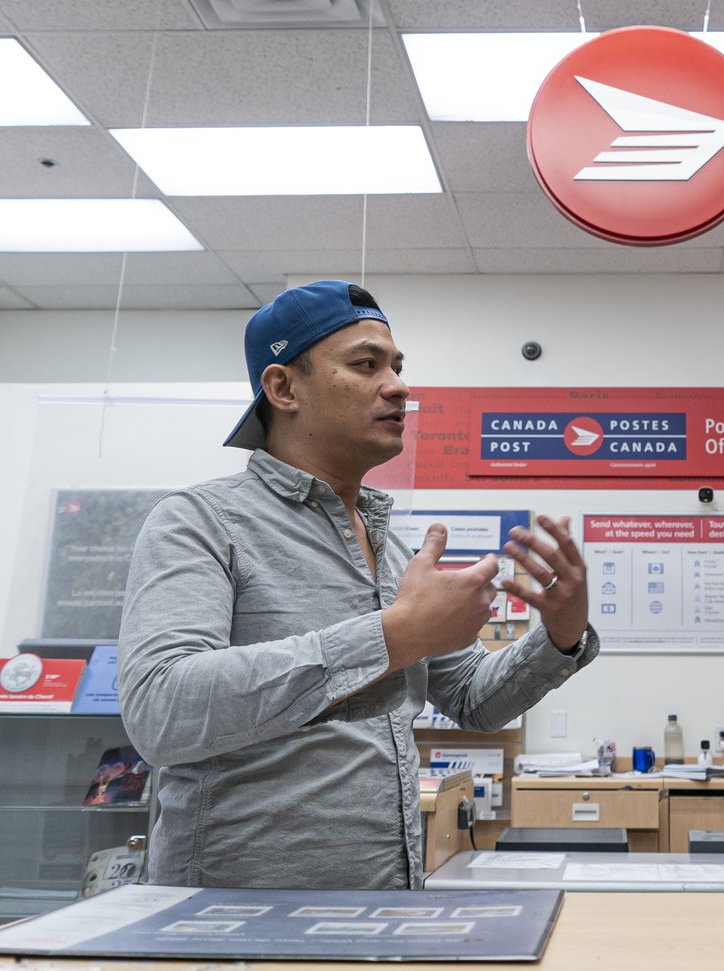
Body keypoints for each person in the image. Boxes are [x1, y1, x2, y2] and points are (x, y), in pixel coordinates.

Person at [118, 280, 599, 890]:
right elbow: (161, 709)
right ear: (283, 388)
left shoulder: (392, 548)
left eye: (397, 366)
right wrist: (391, 637)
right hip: (237, 925)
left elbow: (476, 700)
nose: (399, 386)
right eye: (365, 364)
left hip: (383, 910)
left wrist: (559, 635)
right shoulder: (199, 520)